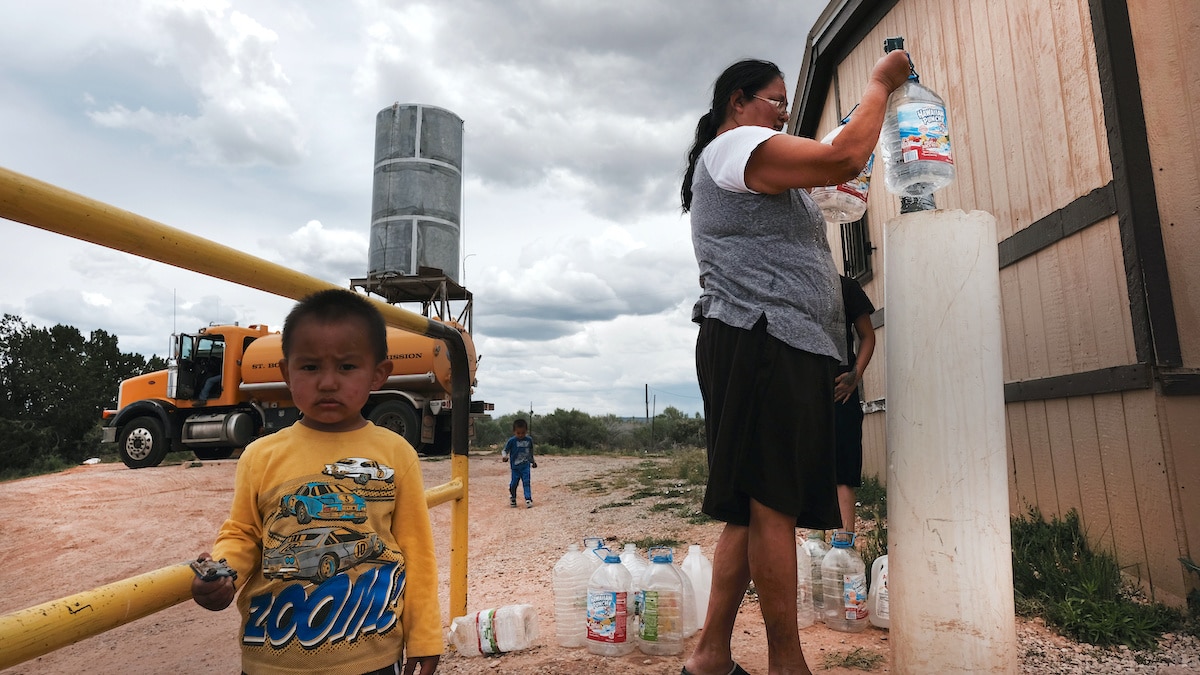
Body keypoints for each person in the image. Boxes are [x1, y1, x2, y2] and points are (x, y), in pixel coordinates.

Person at [680, 51, 911, 675]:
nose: (783, 113)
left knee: (753, 506)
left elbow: (835, 158)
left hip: (787, 343)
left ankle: (709, 657)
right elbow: (842, 157)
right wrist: (880, 85)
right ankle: (788, 662)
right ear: (738, 103)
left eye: (787, 103)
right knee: (772, 506)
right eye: (775, 100)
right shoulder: (735, 147)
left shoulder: (763, 157)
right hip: (760, 339)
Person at [190, 288, 442, 675]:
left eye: (346, 367)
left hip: (371, 658)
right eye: (309, 367)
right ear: (285, 373)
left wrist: (425, 637)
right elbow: (243, 533)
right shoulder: (260, 455)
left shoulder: (396, 453)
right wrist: (224, 572)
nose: (327, 382)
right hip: (272, 658)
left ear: (379, 374)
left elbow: (417, 554)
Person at [834, 275, 876, 535]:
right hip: (799, 388)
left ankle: (843, 548)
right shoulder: (790, 282)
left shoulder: (845, 287)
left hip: (840, 391)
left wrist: (855, 375)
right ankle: (815, 551)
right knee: (806, 473)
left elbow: (867, 336)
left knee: (842, 473)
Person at [500, 418, 537, 508]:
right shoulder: (512, 441)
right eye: (518, 433)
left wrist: (533, 462)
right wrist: (504, 456)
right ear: (514, 432)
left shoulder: (529, 440)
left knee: (526, 482)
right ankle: (513, 497)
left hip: (525, 466)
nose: (521, 435)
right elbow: (504, 450)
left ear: (526, 431)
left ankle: (528, 499)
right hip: (515, 467)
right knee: (514, 483)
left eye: (523, 433)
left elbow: (530, 452)